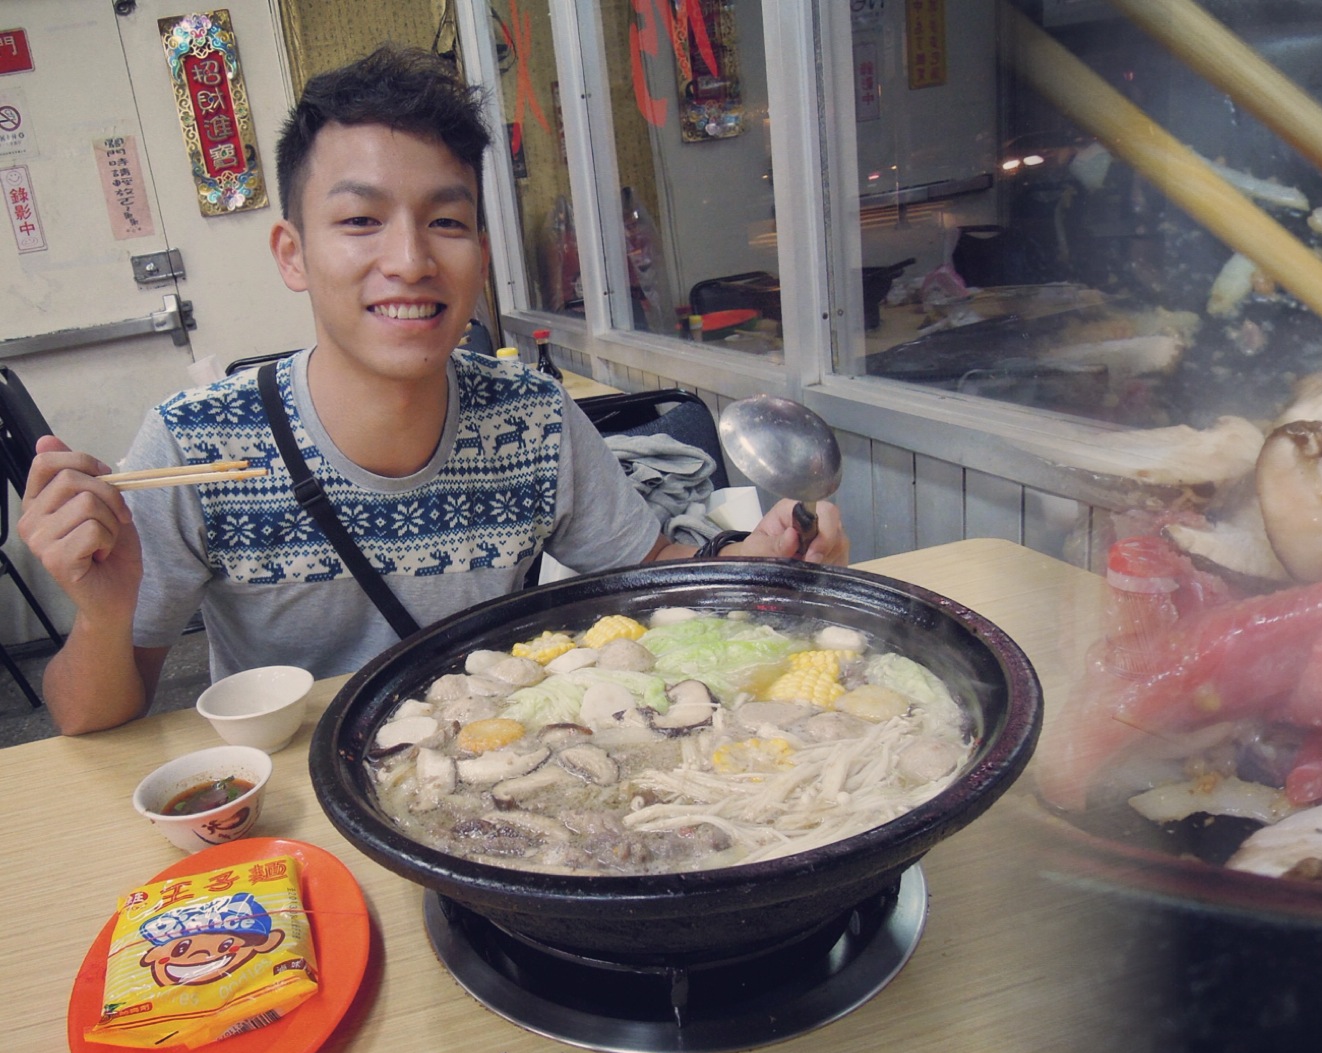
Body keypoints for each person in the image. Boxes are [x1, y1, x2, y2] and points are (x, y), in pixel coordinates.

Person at [19, 46, 847, 736]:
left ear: (481, 254)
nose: (411, 260)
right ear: (292, 254)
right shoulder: (196, 444)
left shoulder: (532, 418)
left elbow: (654, 575)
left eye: (446, 222)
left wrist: (757, 561)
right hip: (307, 803)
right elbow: (89, 717)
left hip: (493, 778)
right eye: (360, 221)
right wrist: (101, 615)